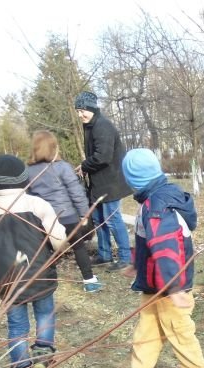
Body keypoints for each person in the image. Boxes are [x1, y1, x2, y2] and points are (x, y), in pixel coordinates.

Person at [115, 148, 204, 368]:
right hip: (153, 285)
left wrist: (175, 287)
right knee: (145, 336)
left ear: (132, 180)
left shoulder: (157, 207)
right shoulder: (151, 201)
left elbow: (166, 248)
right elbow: (146, 240)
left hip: (169, 287)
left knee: (180, 333)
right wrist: (136, 264)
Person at [0, 154, 67, 368]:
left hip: (7, 280)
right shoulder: (37, 205)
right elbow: (59, 239)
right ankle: (43, 354)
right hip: (40, 274)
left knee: (17, 326)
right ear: (25, 179)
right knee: (45, 314)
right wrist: (59, 253)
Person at [26, 130, 103, 293]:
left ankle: (45, 282)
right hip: (67, 216)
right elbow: (76, 192)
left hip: (43, 219)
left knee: (44, 250)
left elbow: (29, 198)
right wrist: (84, 214)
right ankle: (89, 281)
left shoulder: (29, 171)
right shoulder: (62, 167)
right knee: (78, 247)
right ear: (54, 147)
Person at [74, 91, 133, 271]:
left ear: (91, 108)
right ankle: (104, 254)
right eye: (77, 111)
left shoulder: (102, 126)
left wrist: (84, 166)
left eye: (82, 110)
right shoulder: (91, 125)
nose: (80, 114)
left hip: (111, 183)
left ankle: (125, 257)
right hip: (99, 183)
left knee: (113, 220)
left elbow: (103, 157)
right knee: (99, 219)